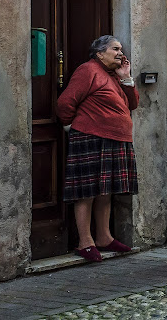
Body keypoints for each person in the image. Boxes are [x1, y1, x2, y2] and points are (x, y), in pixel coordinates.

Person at [56, 35, 139, 262]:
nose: (121, 53)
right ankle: (85, 242)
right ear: (99, 53)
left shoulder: (114, 75)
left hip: (115, 138)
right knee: (87, 190)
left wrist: (126, 79)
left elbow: (133, 104)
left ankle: (104, 237)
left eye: (121, 49)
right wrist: (69, 126)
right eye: (115, 49)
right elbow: (65, 102)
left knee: (106, 190)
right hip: (91, 137)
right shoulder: (88, 70)